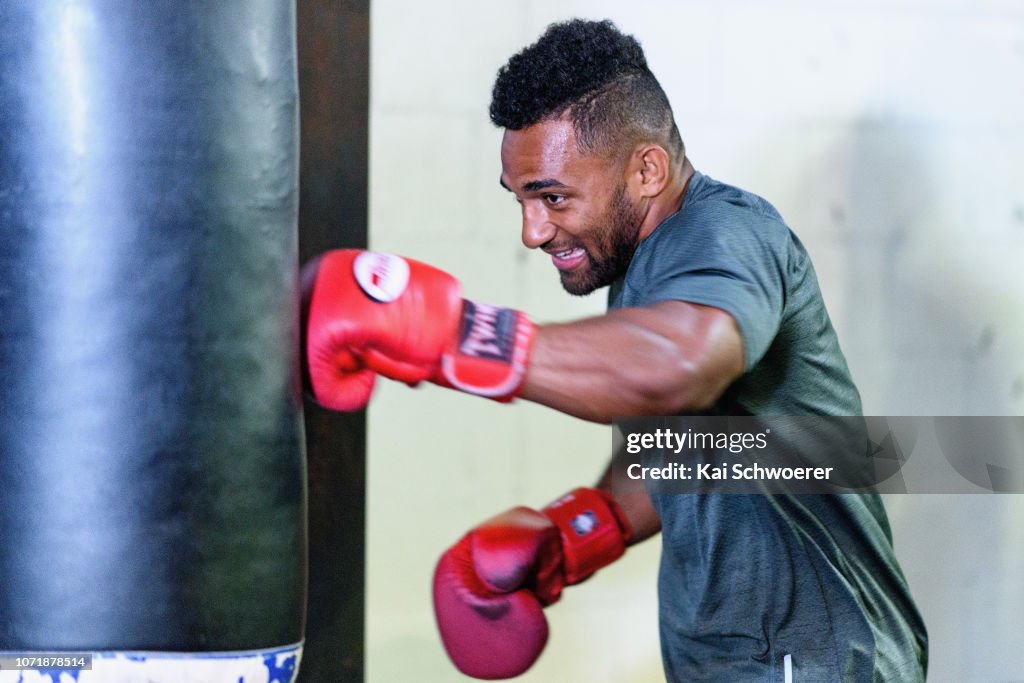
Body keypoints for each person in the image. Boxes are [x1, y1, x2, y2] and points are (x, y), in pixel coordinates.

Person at [302, 18, 928, 682]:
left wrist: (451, 334)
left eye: (553, 197)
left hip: (818, 660)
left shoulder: (726, 234)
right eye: (520, 199)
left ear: (647, 168)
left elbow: (680, 363)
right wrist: (576, 534)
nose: (532, 230)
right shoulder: (640, 266)